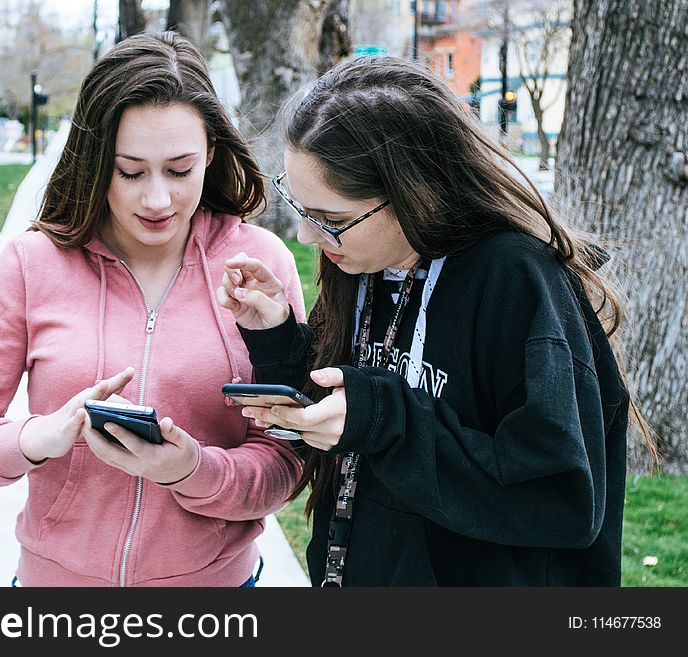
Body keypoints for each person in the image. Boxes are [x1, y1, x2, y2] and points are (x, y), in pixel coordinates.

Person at [217, 56, 656, 586]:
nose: (309, 237)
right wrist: (280, 338)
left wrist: (384, 418)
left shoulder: (516, 279)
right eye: (300, 207)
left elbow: (561, 496)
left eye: (330, 219)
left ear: (413, 191)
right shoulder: (363, 262)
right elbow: (351, 405)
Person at [0, 31, 305, 587]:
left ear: (211, 154)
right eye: (130, 171)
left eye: (180, 168)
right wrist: (34, 439)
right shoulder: (32, 263)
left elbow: (288, 460)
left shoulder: (260, 264)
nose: (157, 200)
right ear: (97, 160)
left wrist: (193, 471)